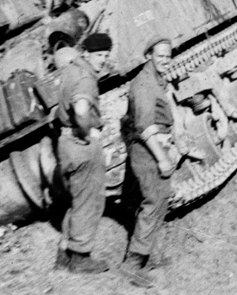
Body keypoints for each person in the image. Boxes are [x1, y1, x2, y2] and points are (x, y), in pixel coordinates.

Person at [120, 36, 179, 288]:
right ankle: (132, 264)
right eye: (160, 56)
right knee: (154, 201)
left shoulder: (154, 79)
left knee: (159, 198)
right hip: (146, 150)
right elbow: (144, 126)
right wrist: (162, 158)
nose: (165, 61)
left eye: (168, 56)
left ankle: (146, 256)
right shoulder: (143, 83)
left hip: (151, 147)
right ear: (148, 57)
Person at [54, 32, 113, 274]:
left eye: (105, 56)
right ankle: (80, 258)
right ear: (86, 53)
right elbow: (80, 110)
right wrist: (89, 134)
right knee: (90, 201)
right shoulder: (86, 77)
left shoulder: (69, 69)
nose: (102, 60)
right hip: (81, 143)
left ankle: (63, 254)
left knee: (78, 199)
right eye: (98, 55)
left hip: (65, 143)